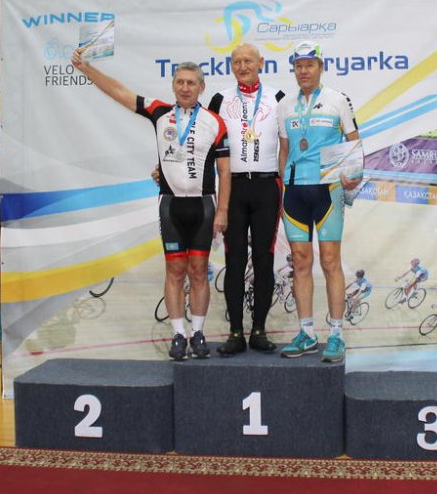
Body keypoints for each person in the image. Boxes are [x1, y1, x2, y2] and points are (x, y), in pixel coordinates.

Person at [70, 49, 230, 362]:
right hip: (170, 206)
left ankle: (198, 333)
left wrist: (222, 211)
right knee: (175, 271)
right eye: (180, 82)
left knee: (199, 272)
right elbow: (120, 93)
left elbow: (225, 171)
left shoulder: (214, 122)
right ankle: (178, 334)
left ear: (201, 87)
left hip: (204, 206)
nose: (185, 87)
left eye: (191, 83)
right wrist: (87, 69)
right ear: (173, 86)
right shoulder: (160, 113)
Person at [277, 41, 362, 363]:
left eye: (309, 65)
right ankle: (307, 333)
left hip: (328, 189)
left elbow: (354, 142)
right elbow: (285, 151)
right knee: (300, 262)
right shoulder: (285, 105)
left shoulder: (338, 100)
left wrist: (353, 175)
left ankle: (336, 334)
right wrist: (282, 187)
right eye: (298, 66)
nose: (304, 71)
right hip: (295, 192)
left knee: (329, 261)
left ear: (320, 67)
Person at [207, 43, 285, 356]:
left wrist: (287, 185)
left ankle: (260, 331)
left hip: (267, 187)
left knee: (265, 261)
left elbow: (286, 145)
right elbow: (204, 144)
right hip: (234, 188)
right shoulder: (220, 99)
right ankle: (236, 332)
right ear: (231, 65)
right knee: (235, 261)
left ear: (260, 63)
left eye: (248, 61)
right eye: (237, 62)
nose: (243, 66)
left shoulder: (278, 98)